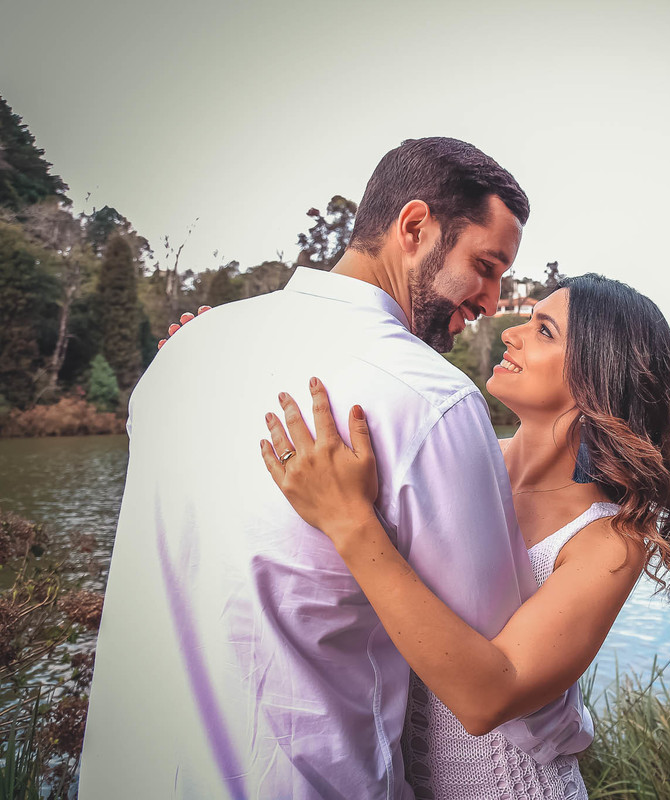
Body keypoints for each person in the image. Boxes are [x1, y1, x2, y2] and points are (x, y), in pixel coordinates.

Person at [80, 138, 593, 799]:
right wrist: (568, 738)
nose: (492, 299)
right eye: (485, 265)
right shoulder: (426, 397)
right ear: (414, 227)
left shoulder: (178, 359)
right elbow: (492, 677)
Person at [255, 274, 670, 799]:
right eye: (527, 319)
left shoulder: (607, 542)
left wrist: (352, 523)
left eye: (544, 331)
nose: (512, 333)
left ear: (596, 377)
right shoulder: (454, 457)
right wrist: (231, 360)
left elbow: (489, 696)